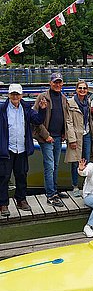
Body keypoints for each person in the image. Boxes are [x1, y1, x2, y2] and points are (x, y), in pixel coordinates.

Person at [0, 84, 47, 216]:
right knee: (4, 177)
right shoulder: (2, 109)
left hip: (22, 148)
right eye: (13, 94)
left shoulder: (26, 108)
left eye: (17, 94)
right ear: (9, 95)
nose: (15, 96)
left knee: (21, 175)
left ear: (21, 95)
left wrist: (42, 110)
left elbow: (37, 120)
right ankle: (3, 204)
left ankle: (21, 199)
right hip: (7, 149)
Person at [33, 72, 69, 207]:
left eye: (59, 82)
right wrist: (45, 135)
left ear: (62, 84)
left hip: (58, 137)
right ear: (50, 83)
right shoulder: (42, 97)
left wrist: (64, 132)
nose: (57, 84)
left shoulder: (64, 98)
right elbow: (35, 118)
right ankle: (50, 195)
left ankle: (54, 190)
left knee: (55, 165)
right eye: (55, 82)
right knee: (49, 166)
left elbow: (65, 117)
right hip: (46, 137)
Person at [65, 81, 93, 198]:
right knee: (75, 162)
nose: (82, 90)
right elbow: (68, 122)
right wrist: (72, 139)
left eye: (84, 88)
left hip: (87, 134)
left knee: (87, 161)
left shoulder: (88, 102)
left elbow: (88, 119)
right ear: (76, 89)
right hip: (76, 136)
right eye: (80, 88)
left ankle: (87, 185)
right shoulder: (70, 103)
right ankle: (75, 186)